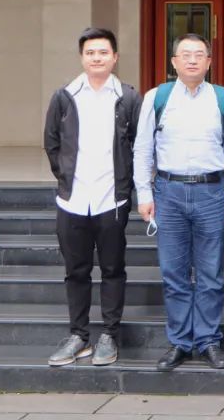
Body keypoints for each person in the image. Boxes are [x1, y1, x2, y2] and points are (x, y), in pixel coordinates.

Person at [132, 33, 224, 371]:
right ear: (174, 62)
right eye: (185, 54)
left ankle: (208, 341)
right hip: (169, 192)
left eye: (199, 55)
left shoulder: (223, 98)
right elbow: (142, 149)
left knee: (211, 273)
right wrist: (144, 194)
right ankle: (180, 342)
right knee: (174, 272)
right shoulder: (157, 97)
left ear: (209, 62)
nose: (192, 60)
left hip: (211, 193)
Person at [43, 27, 142, 367]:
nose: (97, 58)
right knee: (76, 271)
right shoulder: (65, 96)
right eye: (90, 53)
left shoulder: (128, 97)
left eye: (103, 52)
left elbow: (138, 146)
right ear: (82, 57)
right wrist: (67, 179)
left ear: (115, 57)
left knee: (113, 269)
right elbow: (52, 143)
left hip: (111, 199)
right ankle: (78, 335)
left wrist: (128, 187)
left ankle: (109, 335)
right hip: (72, 200)